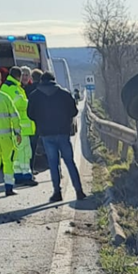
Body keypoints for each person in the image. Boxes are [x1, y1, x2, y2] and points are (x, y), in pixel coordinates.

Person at [27, 71, 86, 202]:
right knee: (70, 162)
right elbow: (74, 111)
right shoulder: (64, 94)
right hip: (63, 133)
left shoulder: (35, 96)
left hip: (46, 134)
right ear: (54, 80)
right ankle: (79, 191)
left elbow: (30, 114)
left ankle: (57, 192)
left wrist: (41, 121)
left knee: (53, 164)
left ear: (41, 81)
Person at [1, 66, 38, 187]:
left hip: (15, 126)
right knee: (25, 153)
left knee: (18, 154)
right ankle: (26, 176)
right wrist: (32, 102)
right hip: (21, 126)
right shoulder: (13, 87)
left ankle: (18, 175)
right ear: (18, 76)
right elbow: (20, 103)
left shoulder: (8, 86)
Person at [27, 68, 43, 174]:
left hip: (32, 123)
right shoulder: (44, 89)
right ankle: (58, 170)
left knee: (32, 147)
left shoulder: (28, 89)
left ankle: (31, 168)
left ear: (32, 78)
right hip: (45, 122)